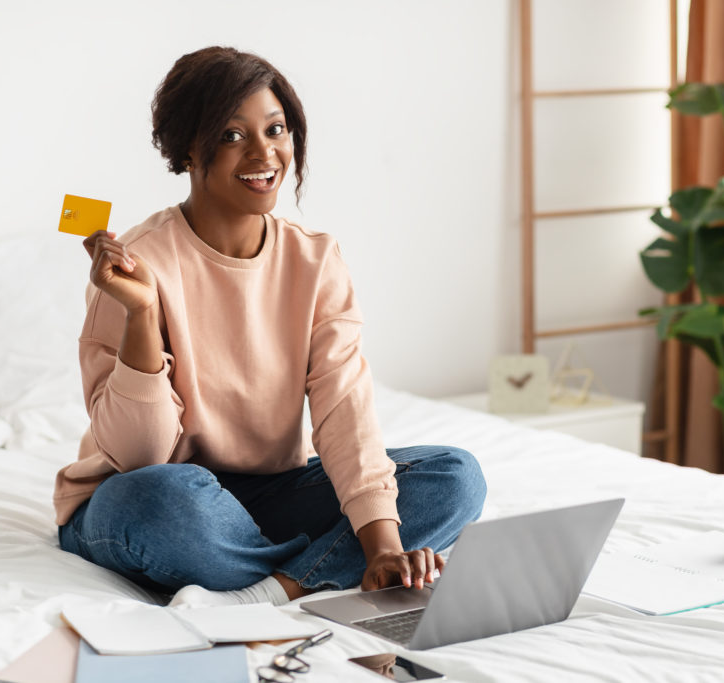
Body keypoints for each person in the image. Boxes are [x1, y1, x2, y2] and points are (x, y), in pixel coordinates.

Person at [53, 46, 486, 607]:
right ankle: (324, 565)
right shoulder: (134, 264)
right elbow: (140, 457)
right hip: (150, 492)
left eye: (276, 129)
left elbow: (343, 408)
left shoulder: (316, 260)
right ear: (189, 148)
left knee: (454, 477)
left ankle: (276, 588)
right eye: (233, 136)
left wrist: (381, 545)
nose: (265, 153)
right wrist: (141, 315)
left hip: (273, 489)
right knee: (165, 503)